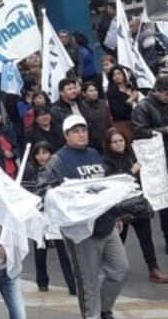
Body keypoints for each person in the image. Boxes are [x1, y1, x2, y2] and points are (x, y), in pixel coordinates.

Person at [39, 114, 129, 319]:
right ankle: (92, 315)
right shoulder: (58, 160)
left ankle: (104, 309)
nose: (81, 134)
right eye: (76, 131)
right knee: (88, 283)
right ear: (66, 135)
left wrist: (116, 216)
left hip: (106, 224)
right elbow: (43, 189)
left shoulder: (94, 154)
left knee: (120, 270)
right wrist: (68, 198)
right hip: (81, 231)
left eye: (83, 130)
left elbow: (105, 188)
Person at [102, 128, 168, 283]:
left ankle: (154, 269)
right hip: (120, 208)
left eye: (121, 141)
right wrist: (131, 171)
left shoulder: (132, 155)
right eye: (115, 142)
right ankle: (112, 270)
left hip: (138, 204)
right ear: (109, 144)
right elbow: (113, 183)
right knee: (118, 241)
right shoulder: (105, 161)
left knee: (146, 238)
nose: (119, 144)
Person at [21, 142, 75, 295]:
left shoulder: (58, 168)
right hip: (38, 214)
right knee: (40, 248)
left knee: (62, 250)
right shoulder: (29, 170)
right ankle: (42, 281)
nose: (41, 156)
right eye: (38, 153)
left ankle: (72, 285)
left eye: (45, 152)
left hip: (56, 213)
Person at [130, 75, 168, 249]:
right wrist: (164, 130)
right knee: (165, 200)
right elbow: (139, 132)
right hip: (156, 157)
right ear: (158, 91)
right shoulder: (143, 107)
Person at [106, 66, 139, 144]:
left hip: (138, 123)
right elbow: (117, 113)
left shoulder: (132, 88)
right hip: (124, 125)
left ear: (124, 75)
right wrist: (130, 100)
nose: (117, 76)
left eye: (119, 73)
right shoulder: (111, 93)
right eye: (114, 75)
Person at [79, 82, 112, 152]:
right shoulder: (81, 107)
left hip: (106, 138)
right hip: (92, 142)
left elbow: (109, 120)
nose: (94, 93)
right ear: (84, 93)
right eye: (91, 91)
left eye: (95, 90)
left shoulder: (103, 103)